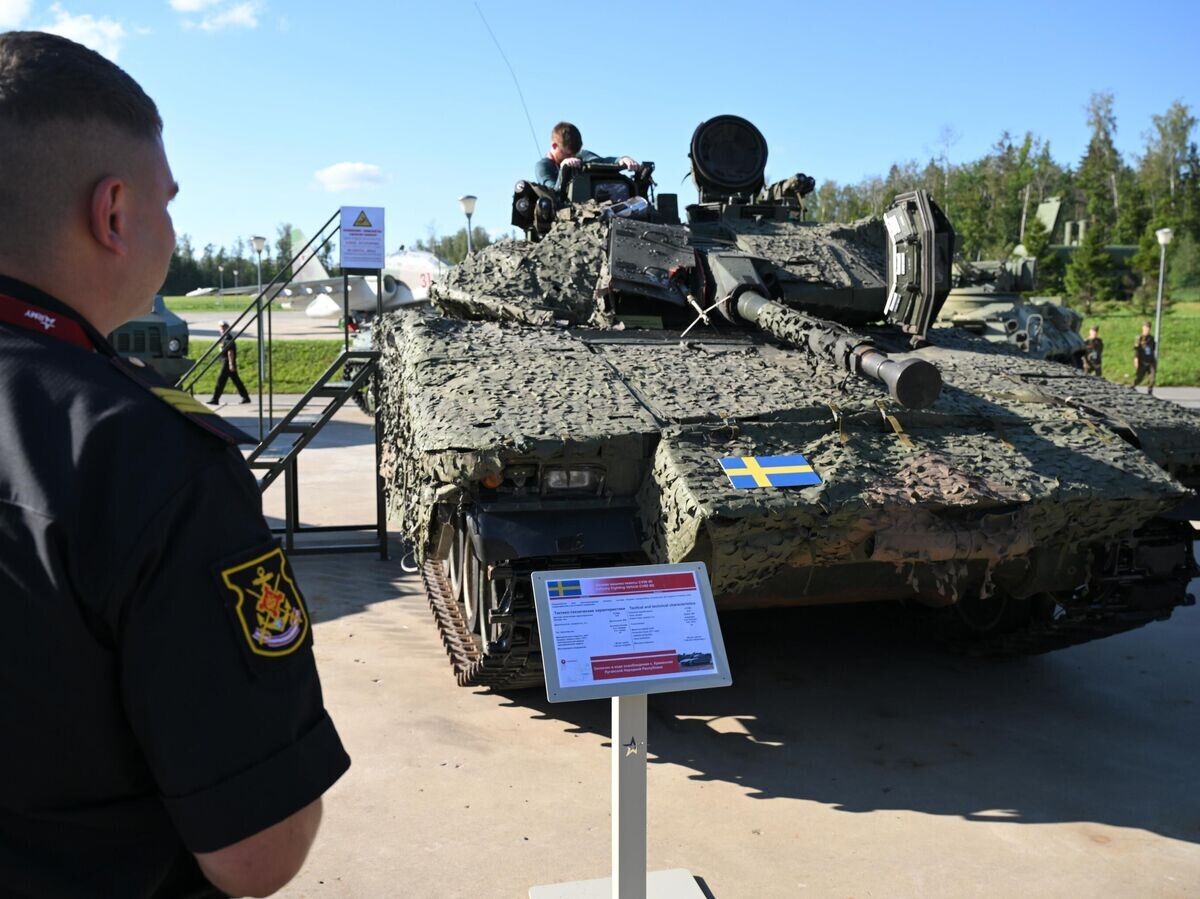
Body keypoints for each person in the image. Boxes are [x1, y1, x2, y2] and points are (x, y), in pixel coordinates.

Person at [0, 31, 349, 897]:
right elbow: (257, 851)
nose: (170, 225)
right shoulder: (144, 456)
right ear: (113, 213)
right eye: (167, 202)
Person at [533, 120, 638, 193]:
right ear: (554, 146)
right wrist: (563, 169)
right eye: (568, 154)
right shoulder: (543, 167)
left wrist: (622, 159)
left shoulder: (579, 155)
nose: (572, 157)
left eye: (575, 153)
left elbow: (600, 161)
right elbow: (553, 193)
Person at [210, 319, 251, 404]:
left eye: (224, 327)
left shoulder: (228, 338)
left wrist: (231, 364)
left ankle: (215, 399)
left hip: (227, 362)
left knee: (220, 380)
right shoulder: (223, 338)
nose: (222, 329)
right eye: (221, 327)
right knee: (236, 380)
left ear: (228, 328)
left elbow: (230, 352)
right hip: (227, 362)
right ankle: (245, 397)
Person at [1133, 319, 1157, 392]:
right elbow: (1136, 349)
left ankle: (1150, 392)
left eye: (1148, 328)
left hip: (1150, 361)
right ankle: (1132, 387)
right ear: (1143, 328)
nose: (1147, 329)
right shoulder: (1139, 338)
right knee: (1139, 378)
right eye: (1146, 328)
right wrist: (1136, 359)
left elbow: (1153, 349)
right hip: (1142, 361)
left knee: (1152, 378)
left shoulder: (1151, 338)